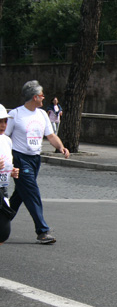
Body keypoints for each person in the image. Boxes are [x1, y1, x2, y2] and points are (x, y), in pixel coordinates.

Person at [5, 80, 70, 244]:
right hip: (20, 158)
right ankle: (42, 231)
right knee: (32, 193)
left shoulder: (41, 114)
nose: (44, 98)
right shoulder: (16, 114)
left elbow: (50, 135)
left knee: (20, 195)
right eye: (42, 95)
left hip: (35, 159)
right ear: (35, 97)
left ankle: (1, 224)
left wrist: (61, 147)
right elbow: (4, 136)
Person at [0, 104, 20, 245]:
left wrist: (11, 171)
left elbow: (7, 164)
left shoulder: (7, 140)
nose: (3, 125)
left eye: (5, 121)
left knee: (3, 232)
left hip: (2, 189)